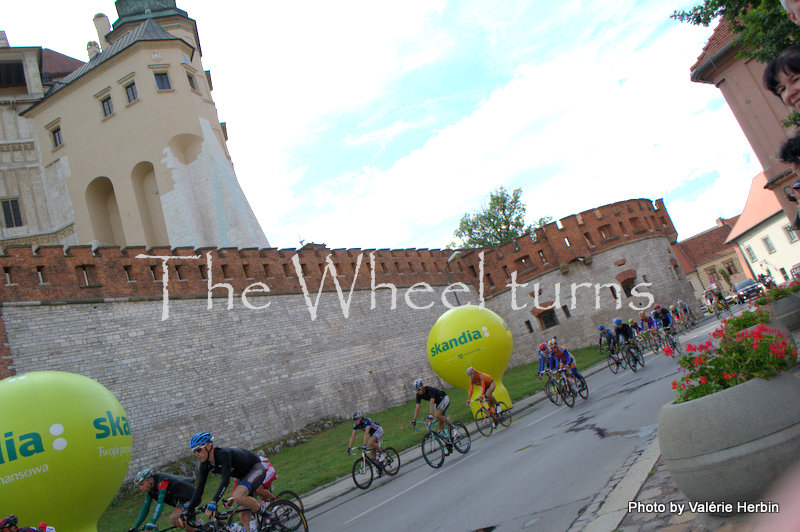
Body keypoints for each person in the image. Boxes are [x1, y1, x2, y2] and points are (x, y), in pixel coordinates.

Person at [181, 432, 272, 532]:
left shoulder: (223, 454)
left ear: (208, 445)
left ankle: (267, 515)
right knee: (243, 514)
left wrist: (214, 501)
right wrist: (188, 510)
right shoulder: (204, 465)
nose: (197, 454)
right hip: (243, 476)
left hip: (255, 468)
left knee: (238, 495)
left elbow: (225, 480)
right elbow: (199, 489)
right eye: (194, 452)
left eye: (198, 450)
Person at [130, 468, 195, 532]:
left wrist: (152, 522)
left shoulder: (162, 481)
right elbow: (145, 508)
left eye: (142, 484)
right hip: (183, 498)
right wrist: (135, 527)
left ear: (150, 479)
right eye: (139, 486)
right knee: (184, 523)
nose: (141, 488)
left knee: (174, 518)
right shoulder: (150, 489)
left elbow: (160, 502)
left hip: (192, 495)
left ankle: (196, 528)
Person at [410, 378, 457, 450]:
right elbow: (417, 407)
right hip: (438, 403)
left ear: (422, 387)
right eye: (416, 390)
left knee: (437, 415)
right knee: (440, 426)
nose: (418, 391)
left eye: (418, 389)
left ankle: (453, 427)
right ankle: (448, 445)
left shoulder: (429, 390)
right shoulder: (418, 395)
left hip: (444, 398)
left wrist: (431, 414)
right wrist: (414, 420)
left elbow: (431, 402)